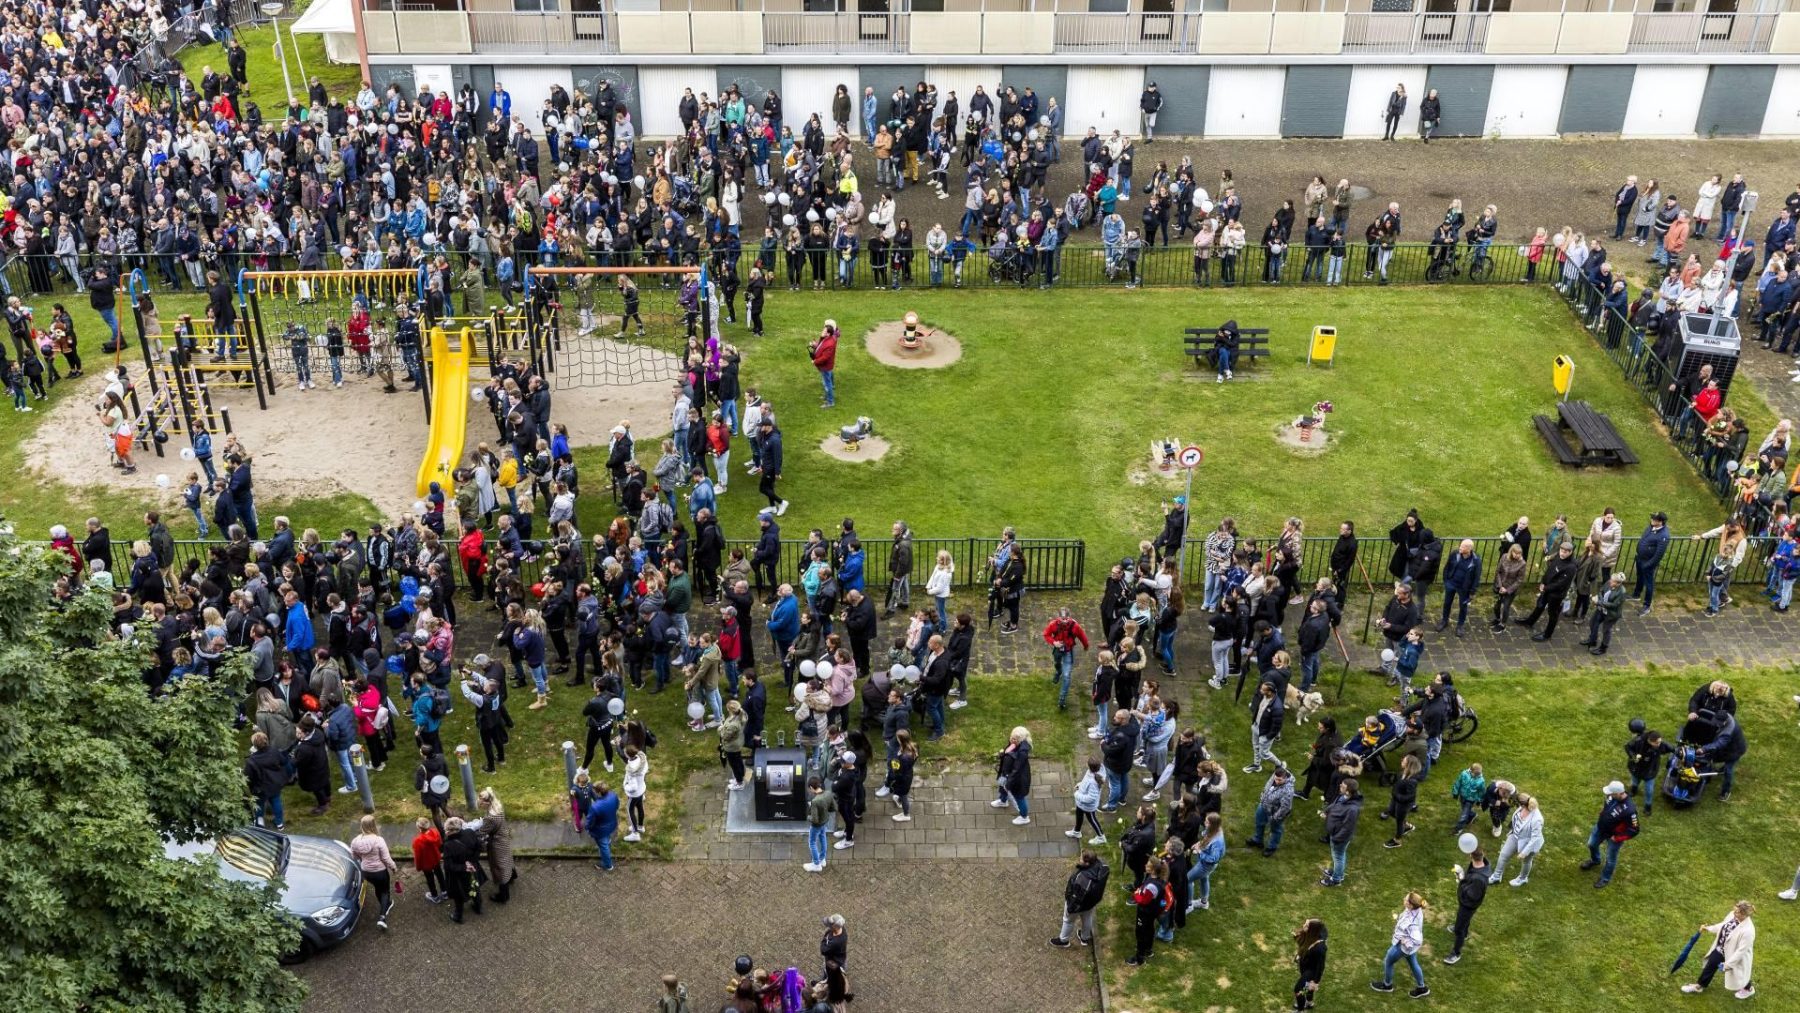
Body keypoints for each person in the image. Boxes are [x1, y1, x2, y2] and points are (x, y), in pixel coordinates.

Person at [1681, 901, 1757, 999]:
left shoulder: (1748, 931)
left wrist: (1727, 964)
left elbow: (1740, 952)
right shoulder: (1733, 915)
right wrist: (1709, 929)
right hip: (1721, 949)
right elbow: (1722, 926)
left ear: (1744, 915)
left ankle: (1748, 989)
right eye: (1735, 910)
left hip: (1735, 955)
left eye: (1737, 912)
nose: (1734, 912)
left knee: (1738, 974)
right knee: (1710, 966)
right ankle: (1699, 986)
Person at [1369, 891, 1429, 998]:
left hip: (1403, 948)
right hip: (1410, 949)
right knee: (1413, 963)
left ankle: (1387, 986)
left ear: (1410, 904)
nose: (1403, 899)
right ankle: (1422, 988)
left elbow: (1417, 940)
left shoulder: (1412, 924)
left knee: (1388, 961)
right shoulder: (1416, 909)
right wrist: (1399, 919)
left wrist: (1404, 941)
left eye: (1406, 899)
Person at [1582, 779, 1640, 888]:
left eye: (1611, 793)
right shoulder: (1611, 796)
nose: (1608, 795)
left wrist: (1617, 838)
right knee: (1591, 844)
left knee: (1610, 859)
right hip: (1600, 828)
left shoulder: (1629, 810)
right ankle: (1595, 860)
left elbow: (1634, 829)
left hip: (1614, 836)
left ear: (1618, 794)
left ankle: (1605, 878)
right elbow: (1606, 807)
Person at [1515, 540, 1577, 641]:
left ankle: (1547, 635)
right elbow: (1550, 569)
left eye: (1565, 551)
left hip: (1556, 594)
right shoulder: (1558, 556)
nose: (1562, 553)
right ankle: (1530, 622)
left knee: (1553, 614)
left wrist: (1546, 588)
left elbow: (1561, 583)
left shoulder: (1571, 567)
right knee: (1539, 605)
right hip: (1547, 588)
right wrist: (1543, 581)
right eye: (1561, 550)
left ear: (1570, 552)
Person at [349, 814, 399, 931]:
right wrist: (394, 867)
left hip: (366, 872)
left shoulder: (355, 841)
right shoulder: (378, 840)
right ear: (373, 825)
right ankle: (382, 917)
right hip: (380, 872)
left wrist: (362, 858)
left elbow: (354, 855)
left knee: (378, 888)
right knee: (385, 891)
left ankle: (384, 904)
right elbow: (386, 859)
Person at [1053, 849, 1109, 948]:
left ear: (1086, 863)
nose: (1079, 859)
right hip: (1090, 903)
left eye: (1081, 858)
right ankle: (1085, 937)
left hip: (1078, 904)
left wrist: (1070, 907)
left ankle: (1063, 940)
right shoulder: (1102, 867)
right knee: (1087, 918)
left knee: (1068, 920)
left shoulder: (1082, 878)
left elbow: (1077, 896)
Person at [1443, 850, 1489, 965]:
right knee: (1464, 921)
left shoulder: (1479, 879)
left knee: (1459, 929)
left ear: (1471, 856)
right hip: (1466, 903)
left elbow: (1472, 896)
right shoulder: (1478, 866)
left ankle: (1456, 953)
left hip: (1468, 905)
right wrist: (1463, 877)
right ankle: (1466, 933)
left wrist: (1460, 881)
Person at [1488, 792, 1543, 887]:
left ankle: (1522, 879)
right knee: (1503, 855)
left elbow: (1535, 838)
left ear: (1522, 804)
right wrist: (1512, 831)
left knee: (1526, 861)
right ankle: (1496, 876)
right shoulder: (1522, 807)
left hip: (1529, 843)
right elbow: (1516, 820)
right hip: (1515, 836)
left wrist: (1524, 853)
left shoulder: (1537, 819)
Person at [1126, 856, 1169, 966]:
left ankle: (1139, 958)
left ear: (1153, 869)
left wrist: (1136, 895)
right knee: (1149, 928)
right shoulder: (1158, 879)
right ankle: (1148, 950)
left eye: (1148, 865)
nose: (1145, 865)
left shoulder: (1151, 886)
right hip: (1153, 911)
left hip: (1145, 912)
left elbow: (1143, 901)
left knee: (1141, 933)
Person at [1321, 777, 1362, 887]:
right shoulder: (1343, 796)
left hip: (1339, 837)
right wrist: (1326, 811)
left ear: (1348, 791)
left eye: (1342, 786)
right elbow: (1334, 805)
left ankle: (1336, 878)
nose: (1340, 786)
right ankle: (1336, 871)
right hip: (1334, 833)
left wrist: (1336, 838)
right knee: (1336, 855)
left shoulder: (1352, 809)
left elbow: (1347, 828)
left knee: (1338, 856)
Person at [992, 727, 1034, 825]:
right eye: (1012, 737)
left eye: (1015, 738)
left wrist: (1009, 782)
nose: (1012, 740)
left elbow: (1017, 770)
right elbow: (1008, 756)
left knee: (1019, 797)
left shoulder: (1022, 752)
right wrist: (1002, 754)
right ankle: (1003, 801)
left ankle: (1024, 817)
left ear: (1021, 739)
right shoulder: (1014, 744)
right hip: (1006, 773)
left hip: (1017, 779)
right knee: (1003, 786)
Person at [584, 779, 620, 871]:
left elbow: (589, 821)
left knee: (603, 846)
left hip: (600, 830)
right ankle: (608, 842)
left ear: (598, 792)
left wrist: (587, 828)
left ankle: (608, 865)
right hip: (612, 824)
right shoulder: (613, 795)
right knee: (606, 840)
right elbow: (617, 806)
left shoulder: (595, 807)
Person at [804, 776, 837, 872]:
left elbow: (814, 819)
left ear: (811, 788)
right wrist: (824, 811)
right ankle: (822, 859)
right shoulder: (828, 793)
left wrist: (807, 816)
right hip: (825, 821)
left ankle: (816, 864)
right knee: (823, 838)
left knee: (812, 843)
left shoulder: (815, 801)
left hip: (816, 826)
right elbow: (833, 808)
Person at [1294, 918, 1328, 1011]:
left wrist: (1315, 982)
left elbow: (1320, 966)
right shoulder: (1310, 935)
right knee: (1307, 987)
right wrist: (1299, 955)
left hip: (1311, 971)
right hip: (1305, 965)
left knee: (1298, 990)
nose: (1304, 925)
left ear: (1312, 930)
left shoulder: (1320, 948)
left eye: (1307, 925)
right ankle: (1309, 1003)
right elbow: (1321, 925)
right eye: (1305, 922)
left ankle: (1300, 1010)